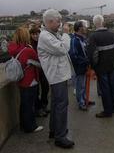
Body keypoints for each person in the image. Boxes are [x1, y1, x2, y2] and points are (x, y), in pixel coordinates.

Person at [37, 9, 75, 149]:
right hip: (56, 76)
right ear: (49, 21)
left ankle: (54, 131)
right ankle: (60, 137)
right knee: (61, 105)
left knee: (56, 104)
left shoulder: (51, 34)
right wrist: (65, 34)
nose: (60, 24)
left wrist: (61, 34)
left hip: (58, 75)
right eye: (58, 21)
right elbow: (63, 49)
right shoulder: (45, 36)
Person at [8, 27, 43, 133]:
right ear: (25, 36)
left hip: (20, 80)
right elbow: (39, 63)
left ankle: (23, 125)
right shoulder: (28, 50)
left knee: (24, 104)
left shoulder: (13, 48)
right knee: (29, 105)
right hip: (30, 80)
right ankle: (30, 127)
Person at [87, 15, 114, 118]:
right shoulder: (112, 35)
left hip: (100, 67)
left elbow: (91, 54)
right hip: (111, 65)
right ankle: (113, 107)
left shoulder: (93, 37)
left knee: (104, 88)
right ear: (103, 23)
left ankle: (107, 111)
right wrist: (112, 56)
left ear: (95, 24)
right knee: (112, 86)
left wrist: (94, 66)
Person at [69, 21, 94, 111]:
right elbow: (73, 55)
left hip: (84, 66)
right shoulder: (74, 40)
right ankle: (81, 102)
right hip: (79, 67)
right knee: (80, 85)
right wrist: (85, 61)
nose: (86, 28)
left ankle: (85, 99)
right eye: (84, 26)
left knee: (84, 84)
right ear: (80, 28)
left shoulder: (82, 38)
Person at [29, 27, 49, 117]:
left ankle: (44, 105)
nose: (35, 36)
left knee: (45, 88)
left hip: (43, 69)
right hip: (35, 70)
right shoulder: (30, 45)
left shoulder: (42, 42)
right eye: (33, 34)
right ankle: (39, 109)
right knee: (36, 91)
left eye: (37, 34)